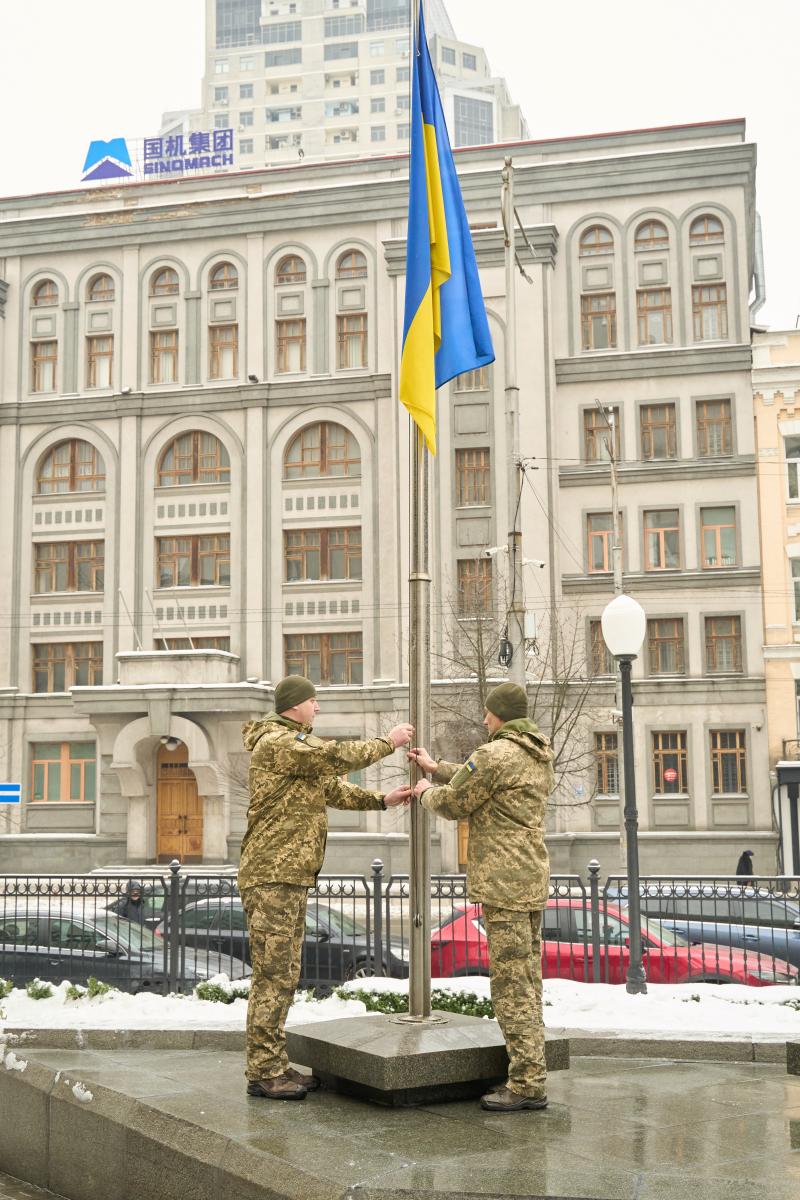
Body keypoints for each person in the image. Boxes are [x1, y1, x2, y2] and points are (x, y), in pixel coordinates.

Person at [239, 674, 413, 1101]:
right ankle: (264, 1071)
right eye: (313, 701)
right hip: (273, 875)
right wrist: (388, 742)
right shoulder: (278, 743)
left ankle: (272, 1064)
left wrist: (381, 800)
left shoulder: (295, 750)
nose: (317, 707)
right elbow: (336, 756)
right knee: (273, 976)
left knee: (283, 974)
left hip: (289, 875)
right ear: (294, 705)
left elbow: (333, 789)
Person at [409, 682, 555, 1113]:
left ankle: (527, 1083)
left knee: (511, 987)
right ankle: (531, 1072)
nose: (485, 719)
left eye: (489, 712)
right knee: (528, 981)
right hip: (529, 879)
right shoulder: (536, 754)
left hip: (503, 884)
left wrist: (425, 791)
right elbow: (481, 778)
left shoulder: (494, 754)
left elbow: (456, 803)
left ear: (501, 714)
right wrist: (437, 767)